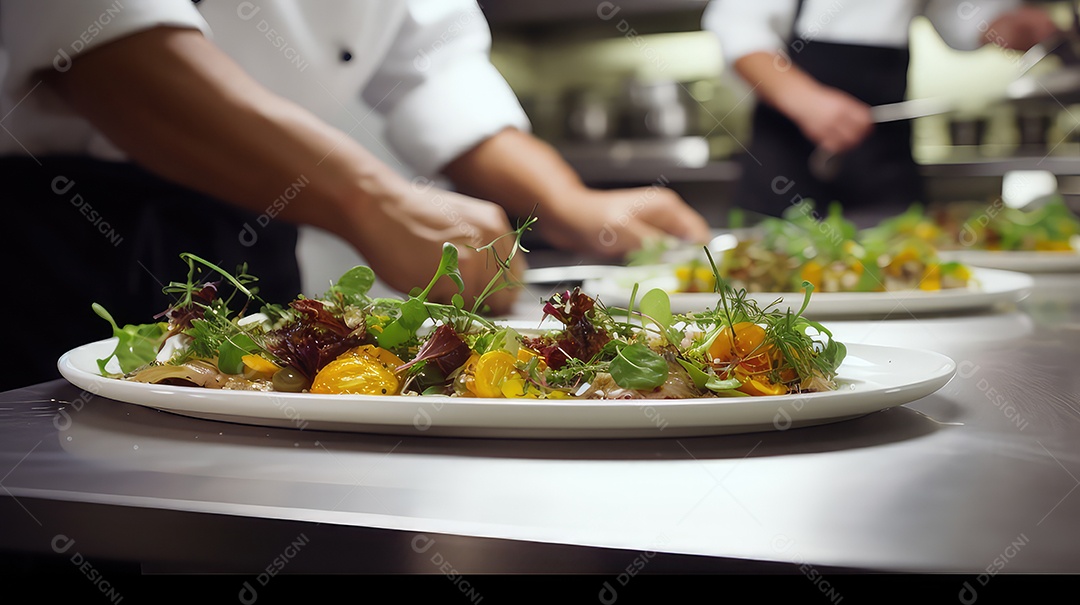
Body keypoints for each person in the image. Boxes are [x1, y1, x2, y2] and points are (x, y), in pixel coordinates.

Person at [0, 0, 710, 390]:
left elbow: (434, 68)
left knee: (248, 467)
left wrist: (572, 202)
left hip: (257, 217)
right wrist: (371, 200)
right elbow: (98, 39)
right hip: (56, 231)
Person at [703, 0, 1059, 219]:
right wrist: (807, 101)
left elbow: (960, 17)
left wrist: (1003, 27)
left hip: (884, 166)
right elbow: (737, 26)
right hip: (787, 165)